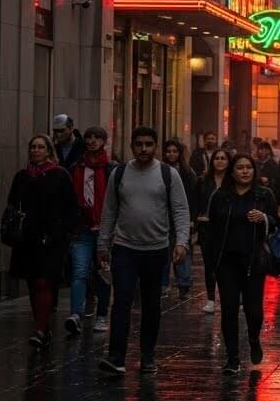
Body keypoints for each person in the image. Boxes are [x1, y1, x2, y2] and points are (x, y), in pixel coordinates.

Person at [97, 126, 191, 375]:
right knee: (122, 302)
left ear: (155, 146)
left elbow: (180, 210)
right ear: (131, 146)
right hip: (124, 248)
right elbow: (109, 211)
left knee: (151, 305)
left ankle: (148, 356)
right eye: (139, 144)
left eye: (149, 144)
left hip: (156, 249)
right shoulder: (119, 174)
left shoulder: (168, 174)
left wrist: (182, 242)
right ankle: (116, 356)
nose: (143, 149)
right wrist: (102, 244)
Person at [5, 134, 78, 349]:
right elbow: (12, 204)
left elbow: (71, 207)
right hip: (27, 239)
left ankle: (39, 329)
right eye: (33, 147)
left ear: (48, 150)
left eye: (40, 147)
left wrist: (63, 232)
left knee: (44, 282)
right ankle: (43, 326)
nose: (36, 151)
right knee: (31, 282)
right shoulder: (22, 176)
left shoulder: (59, 175)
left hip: (51, 239)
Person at [203, 154, 274, 374]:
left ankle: (253, 338)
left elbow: (277, 221)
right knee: (229, 309)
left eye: (249, 168)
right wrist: (212, 260)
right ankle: (232, 358)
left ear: (254, 171)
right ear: (232, 172)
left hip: (254, 261)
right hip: (227, 262)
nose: (244, 171)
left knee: (254, 310)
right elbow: (213, 228)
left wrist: (264, 218)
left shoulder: (264, 195)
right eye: (240, 168)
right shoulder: (221, 196)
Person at [66, 126, 116, 335]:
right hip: (82, 228)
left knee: (103, 273)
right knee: (79, 271)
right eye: (89, 137)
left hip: (105, 229)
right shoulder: (76, 167)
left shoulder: (111, 169)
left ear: (104, 141)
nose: (92, 141)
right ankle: (75, 314)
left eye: (97, 138)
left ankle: (102, 315)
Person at [194, 147, 232, 314]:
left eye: (223, 158)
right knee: (209, 264)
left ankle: (229, 297)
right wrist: (196, 219)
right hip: (206, 228)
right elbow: (194, 202)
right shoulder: (203, 181)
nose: (220, 161)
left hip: (227, 229)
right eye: (217, 158)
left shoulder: (232, 182)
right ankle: (211, 299)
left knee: (226, 264)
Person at [160, 138, 195, 299]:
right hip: (163, 217)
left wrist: (191, 218)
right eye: (168, 151)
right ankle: (163, 283)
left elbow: (193, 197)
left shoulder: (187, 172)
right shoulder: (160, 171)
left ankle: (184, 283)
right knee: (164, 251)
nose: (171, 154)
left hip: (182, 217)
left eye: (175, 151)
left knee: (182, 249)